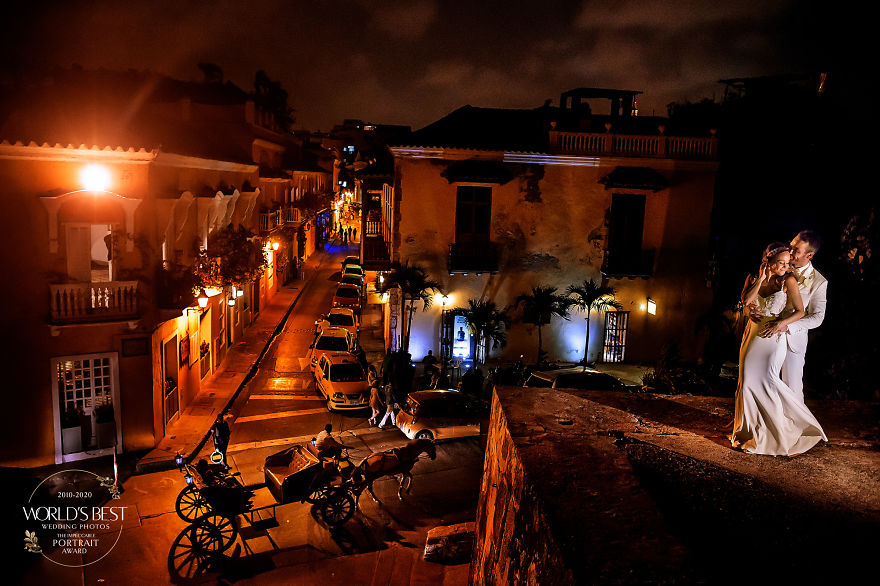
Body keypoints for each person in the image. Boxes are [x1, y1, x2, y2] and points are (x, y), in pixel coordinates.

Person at [731, 242, 826, 456]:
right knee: (747, 382)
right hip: (753, 333)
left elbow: (801, 312)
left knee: (769, 382)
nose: (785, 266)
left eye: (787, 262)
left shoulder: (788, 280)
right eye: (780, 263)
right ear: (769, 262)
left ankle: (779, 432)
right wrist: (761, 279)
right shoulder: (753, 278)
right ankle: (749, 432)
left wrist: (781, 324)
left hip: (773, 336)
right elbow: (746, 301)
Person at [750, 230, 829, 403]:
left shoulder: (819, 282)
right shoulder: (777, 266)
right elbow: (758, 294)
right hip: (764, 335)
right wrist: (752, 309)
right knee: (760, 381)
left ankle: (793, 420)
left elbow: (818, 317)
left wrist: (786, 325)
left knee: (792, 389)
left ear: (809, 255)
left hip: (792, 340)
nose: (790, 251)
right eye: (791, 246)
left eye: (796, 250)